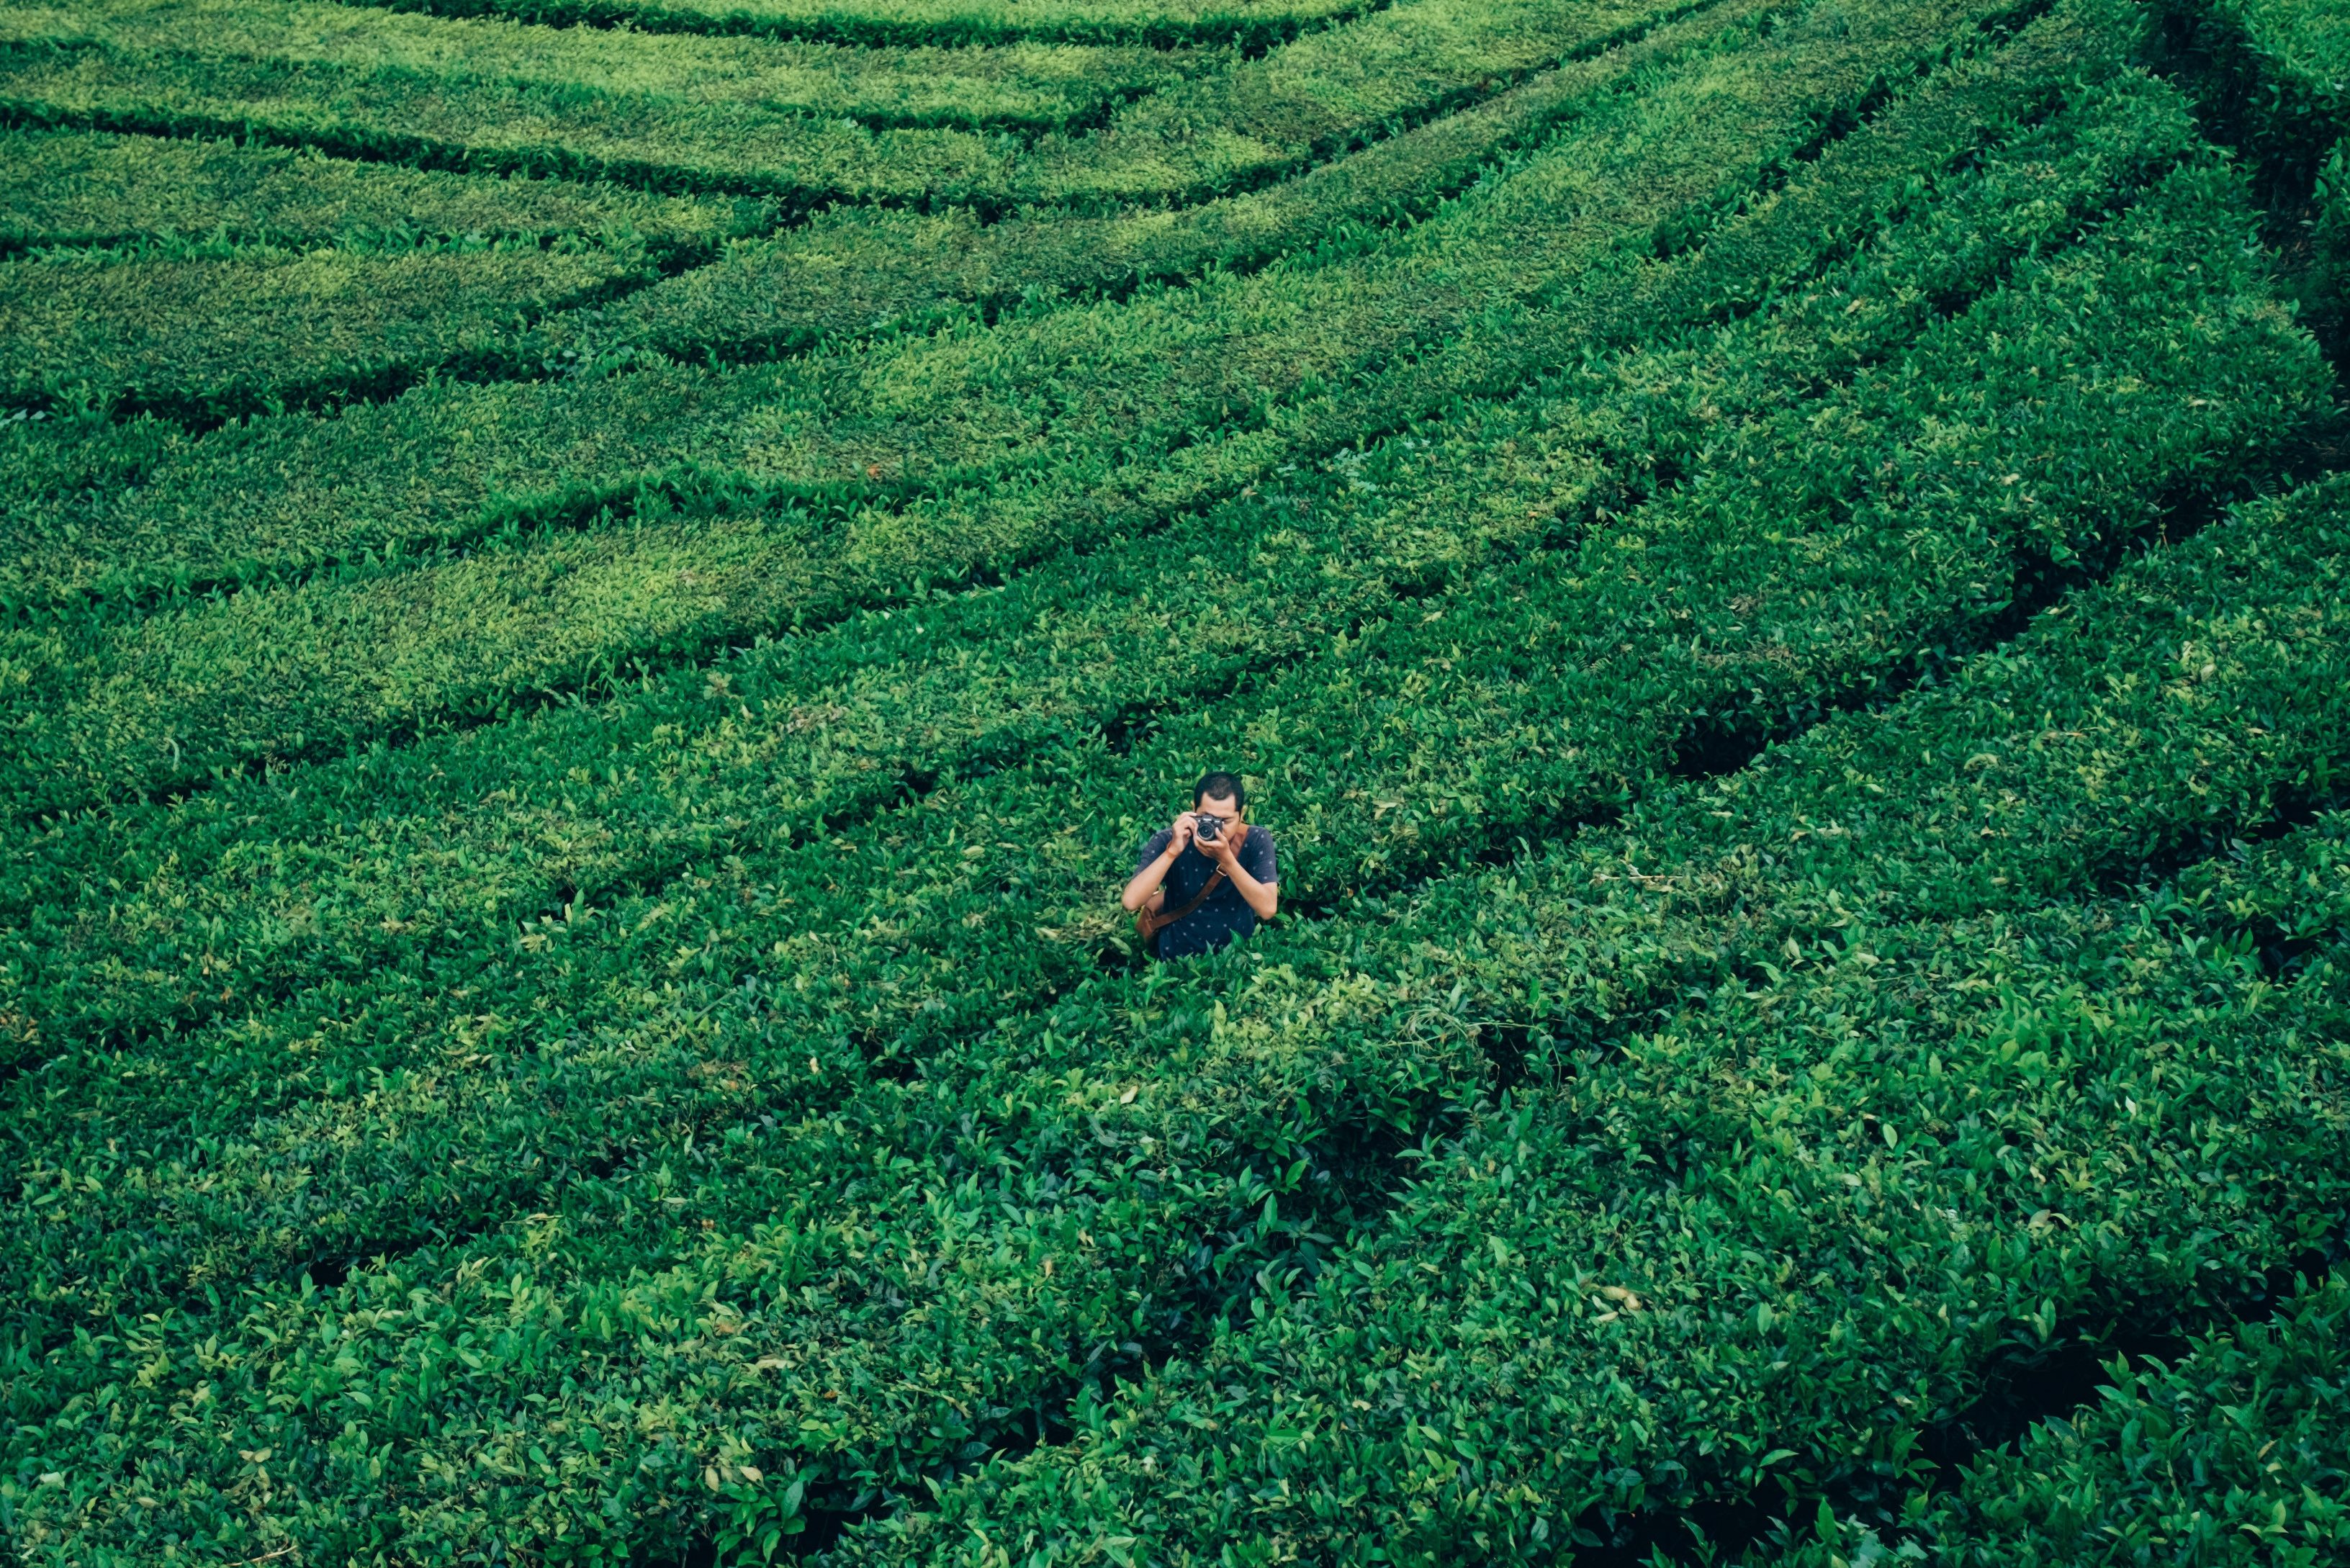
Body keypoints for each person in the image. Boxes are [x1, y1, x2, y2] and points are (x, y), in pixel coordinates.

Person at [1122, 771, 1279, 959]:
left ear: (1242, 815)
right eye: (1207, 818)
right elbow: (1131, 901)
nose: (1215, 828)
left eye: (1225, 821)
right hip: (1177, 960)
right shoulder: (1168, 839)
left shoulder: (1256, 839)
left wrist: (1227, 860)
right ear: (1193, 810)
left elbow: (1268, 909)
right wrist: (1172, 851)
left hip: (1236, 960)